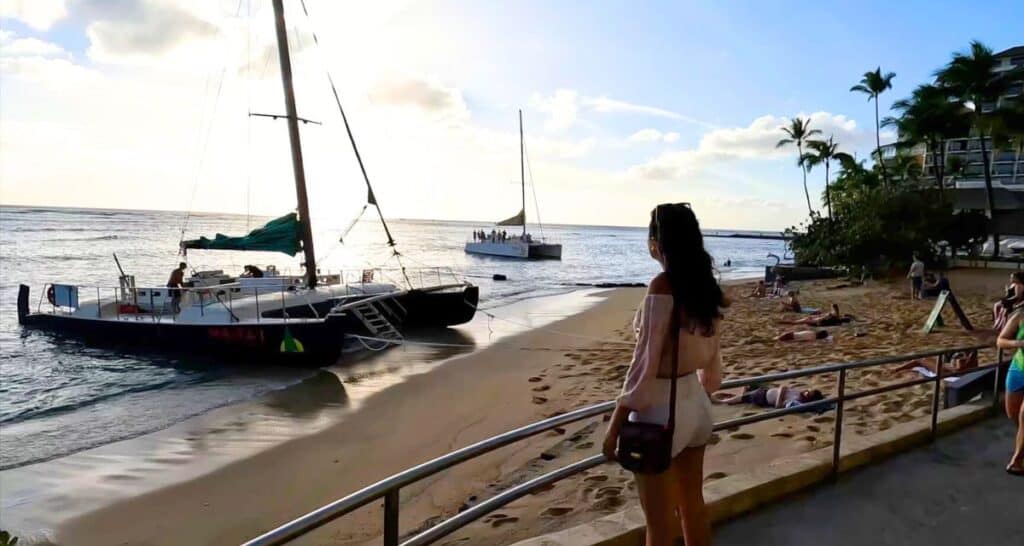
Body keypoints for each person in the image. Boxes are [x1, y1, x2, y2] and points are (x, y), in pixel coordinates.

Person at [603, 203, 724, 546]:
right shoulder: (705, 286)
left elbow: (643, 365)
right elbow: (713, 358)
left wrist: (614, 428)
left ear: (657, 243)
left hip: (660, 410)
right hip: (696, 405)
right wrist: (704, 391)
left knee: (658, 522)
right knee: (692, 507)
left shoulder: (662, 287)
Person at [996, 309, 1024, 476]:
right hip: (1018, 370)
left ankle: (1017, 460)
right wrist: (1018, 344)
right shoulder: (1020, 315)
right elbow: (1000, 340)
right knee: (1012, 414)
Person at [712, 385, 824, 409]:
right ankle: (734, 396)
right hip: (766, 391)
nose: (806, 393)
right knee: (749, 390)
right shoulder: (798, 392)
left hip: (763, 398)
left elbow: (779, 405)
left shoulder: (796, 401)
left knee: (744, 398)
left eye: (808, 395)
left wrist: (781, 395)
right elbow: (783, 387)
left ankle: (722, 401)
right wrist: (781, 394)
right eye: (808, 391)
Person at [888, 350, 978, 377]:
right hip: (947, 368)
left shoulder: (960, 362)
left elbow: (958, 370)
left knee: (919, 360)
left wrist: (955, 362)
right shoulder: (972, 361)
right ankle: (898, 369)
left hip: (944, 371)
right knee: (925, 359)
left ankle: (897, 369)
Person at [778, 304, 847, 326]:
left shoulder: (833, 316)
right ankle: (783, 322)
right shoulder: (835, 316)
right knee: (796, 322)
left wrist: (818, 317)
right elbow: (823, 317)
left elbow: (823, 319)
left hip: (816, 321)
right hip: (816, 320)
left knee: (796, 322)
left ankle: (782, 322)